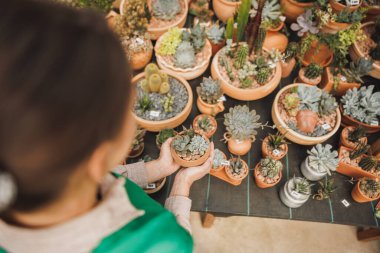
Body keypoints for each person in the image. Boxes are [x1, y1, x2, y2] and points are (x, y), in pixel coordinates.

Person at [0, 1, 214, 252]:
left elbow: (92, 176)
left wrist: (157, 169)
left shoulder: (48, 167)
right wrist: (180, 187)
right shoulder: (161, 242)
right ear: (99, 155)